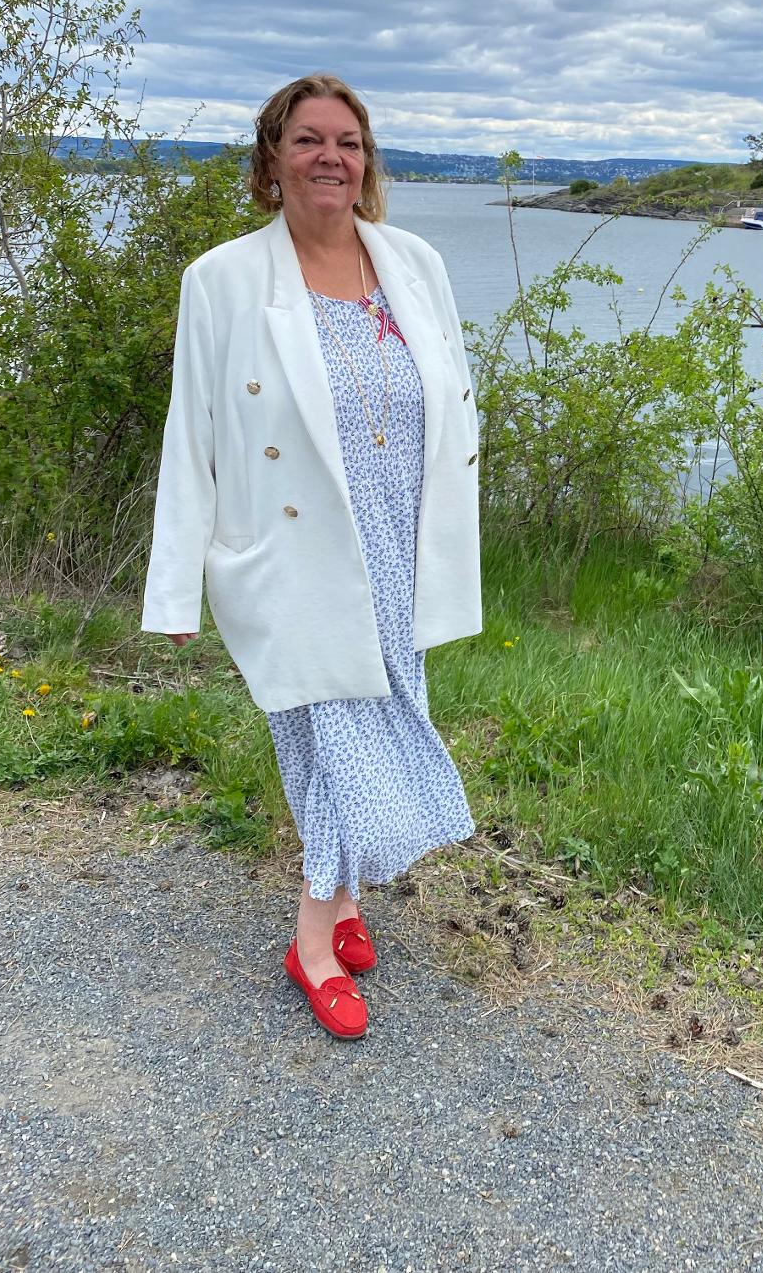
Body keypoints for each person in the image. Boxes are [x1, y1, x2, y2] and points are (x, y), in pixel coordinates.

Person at [141, 73, 482, 1040]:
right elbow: (190, 436)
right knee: (336, 743)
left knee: (379, 727)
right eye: (308, 140)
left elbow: (457, 404)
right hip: (294, 558)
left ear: (367, 162)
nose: (330, 157)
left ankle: (343, 903)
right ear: (272, 159)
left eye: (348, 142)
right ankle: (312, 940)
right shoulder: (222, 280)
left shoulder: (414, 263)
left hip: (398, 547)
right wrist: (174, 588)